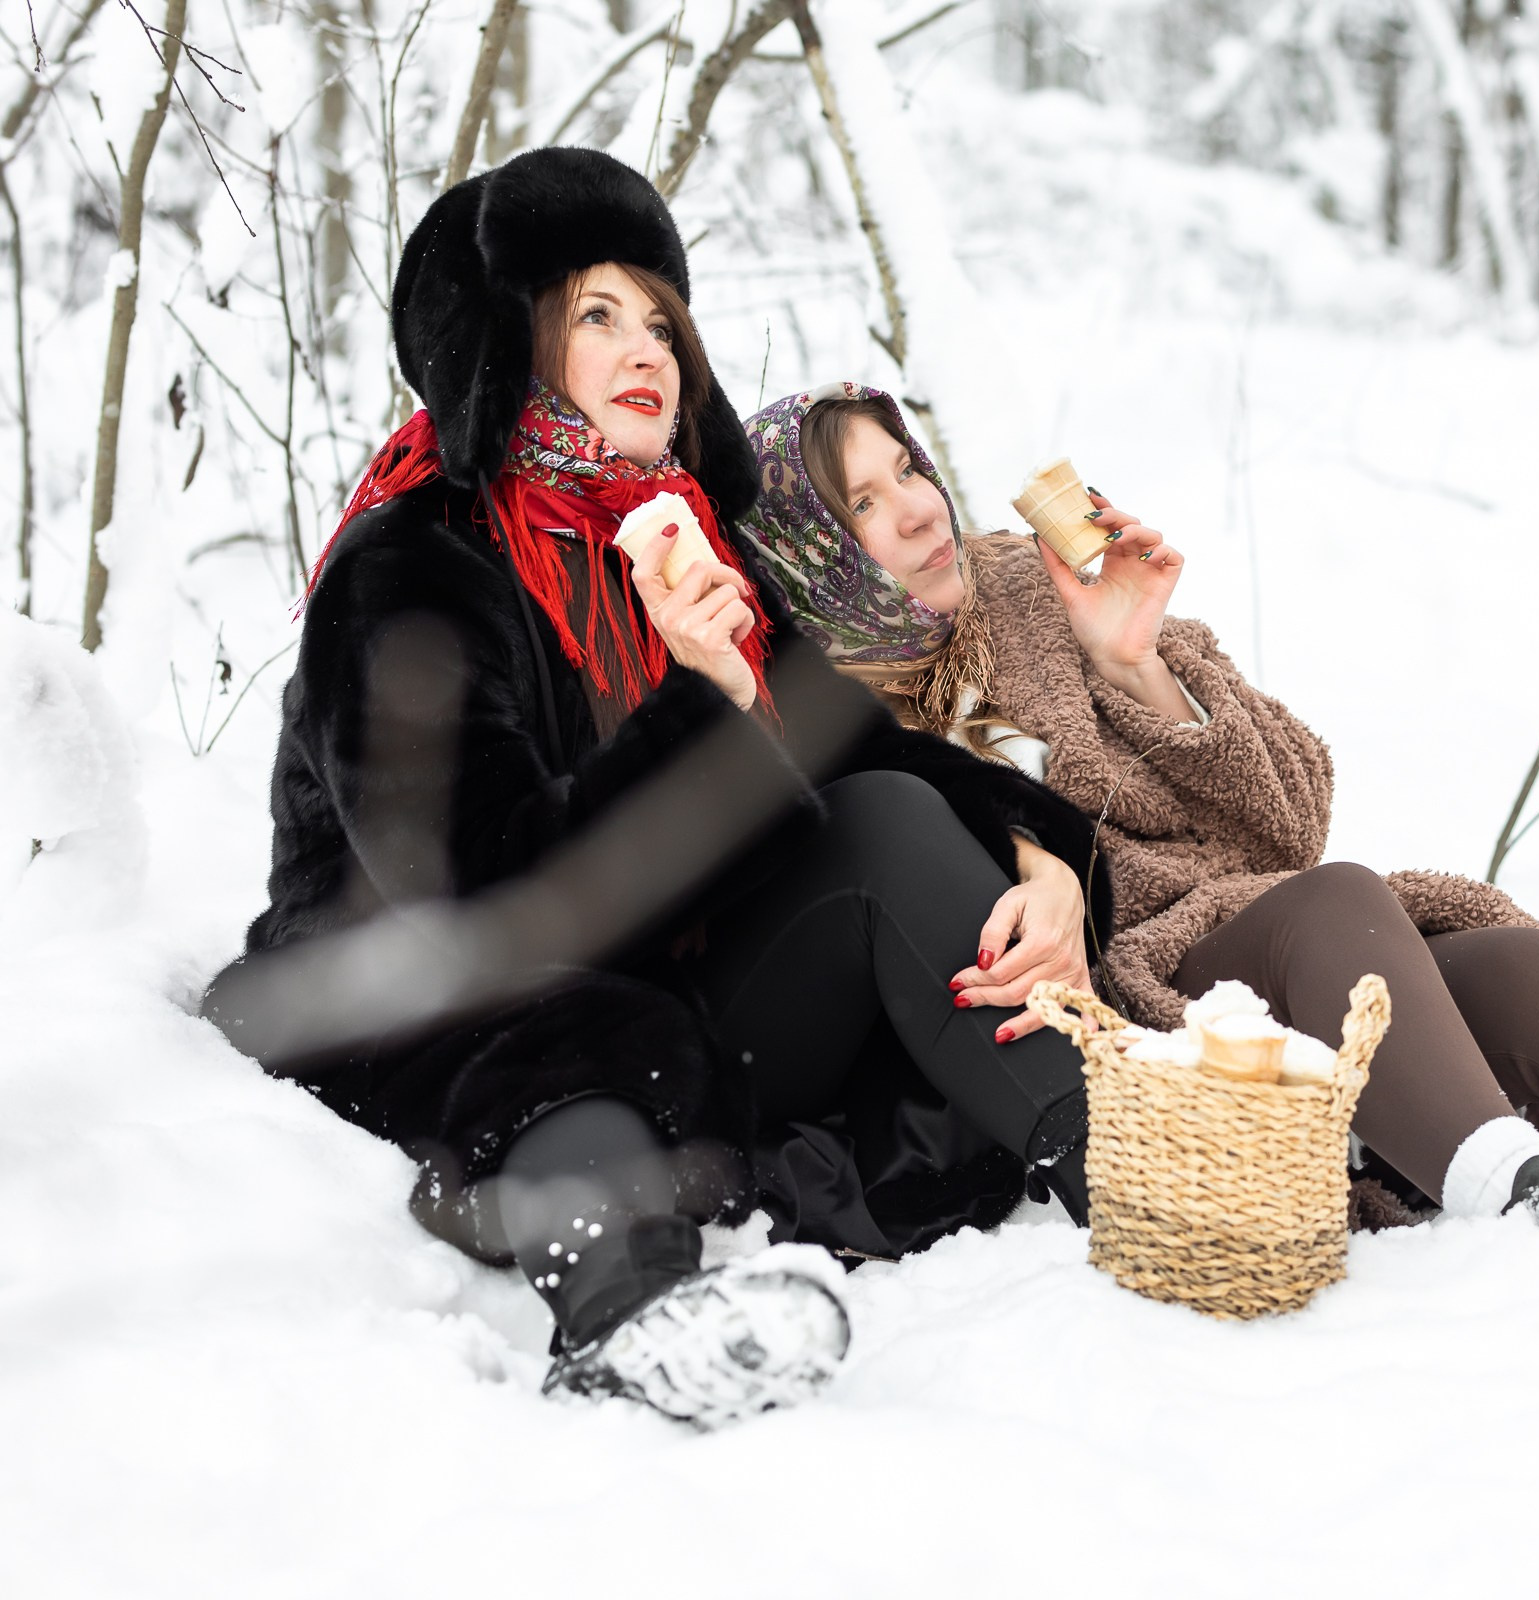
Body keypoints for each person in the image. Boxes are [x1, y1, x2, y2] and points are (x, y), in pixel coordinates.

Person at [205, 153, 1112, 1429]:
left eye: (659, 318)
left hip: (665, 981)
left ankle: (1128, 1175)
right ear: (510, 344)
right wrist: (703, 706)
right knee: (585, 1046)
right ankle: (631, 1317)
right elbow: (492, 901)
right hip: (428, 997)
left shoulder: (686, 537)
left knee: (896, 825)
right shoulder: (413, 566)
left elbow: (876, 758)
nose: (648, 349)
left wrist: (1041, 854)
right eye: (593, 313)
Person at [741, 383, 1539, 1237]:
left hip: (1266, 932)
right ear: (813, 555)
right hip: (1125, 1014)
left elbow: (1291, 821)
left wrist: (1138, 668)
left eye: (905, 467)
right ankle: (1514, 1186)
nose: (913, 508)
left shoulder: (1038, 589)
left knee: (1502, 967)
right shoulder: (830, 723)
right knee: (1337, 905)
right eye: (863, 503)